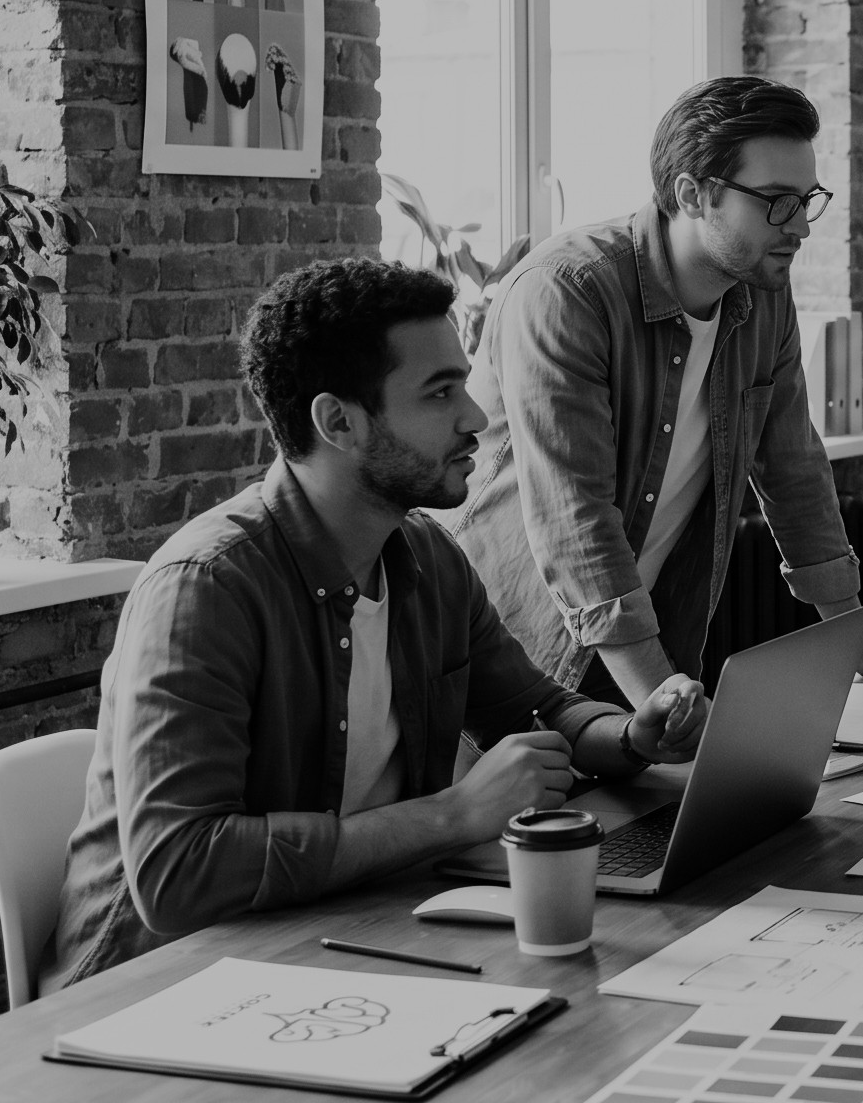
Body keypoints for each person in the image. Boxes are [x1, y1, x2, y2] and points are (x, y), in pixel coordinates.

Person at [48, 261, 703, 989]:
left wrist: (631, 735)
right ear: (339, 423)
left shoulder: (426, 557)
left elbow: (538, 707)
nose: (476, 419)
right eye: (440, 393)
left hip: (350, 936)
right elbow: (179, 872)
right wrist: (453, 815)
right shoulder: (205, 590)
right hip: (164, 988)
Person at [449, 76, 863, 723]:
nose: (800, 226)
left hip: (651, 644)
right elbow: (574, 518)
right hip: (516, 656)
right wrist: (662, 696)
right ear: (693, 194)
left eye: (807, 200)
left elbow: (794, 468)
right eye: (775, 201)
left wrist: (859, 644)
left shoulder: (763, 293)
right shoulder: (566, 292)